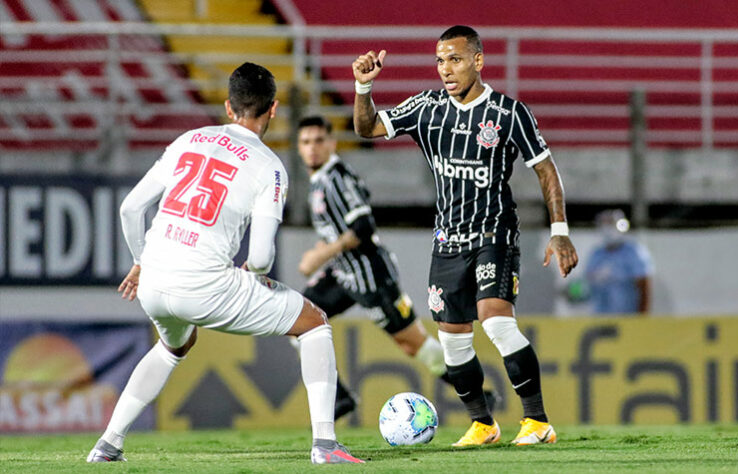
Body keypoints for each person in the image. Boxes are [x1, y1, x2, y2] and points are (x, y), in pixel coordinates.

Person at [86, 63, 363, 464]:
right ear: (274, 109)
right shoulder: (269, 166)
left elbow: (131, 209)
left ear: (229, 108)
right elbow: (263, 257)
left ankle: (108, 444)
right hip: (205, 284)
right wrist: (251, 279)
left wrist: (141, 261)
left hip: (153, 280)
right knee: (315, 323)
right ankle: (325, 445)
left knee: (173, 345)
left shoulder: (188, 139)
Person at [352, 25, 579, 446]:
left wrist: (559, 231)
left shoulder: (509, 113)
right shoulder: (427, 107)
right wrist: (363, 87)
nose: (445, 69)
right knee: (453, 343)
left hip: (494, 234)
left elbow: (545, 170)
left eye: (455, 59)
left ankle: (536, 421)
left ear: (478, 61)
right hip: (447, 242)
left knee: (496, 321)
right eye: (440, 60)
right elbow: (367, 129)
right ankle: (482, 424)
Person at [295, 115, 498, 420]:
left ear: (332, 143)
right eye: (306, 142)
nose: (312, 148)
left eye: (319, 141)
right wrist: (322, 251)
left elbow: (363, 227)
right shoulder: (318, 181)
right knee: (296, 322)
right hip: (342, 275)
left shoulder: (338, 178)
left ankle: (479, 394)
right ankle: (338, 398)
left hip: (372, 277)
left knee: (412, 344)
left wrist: (321, 255)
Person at [584, 209, 653, 314]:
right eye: (604, 225)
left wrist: (641, 319)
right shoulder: (596, 254)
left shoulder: (634, 252)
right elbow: (586, 285)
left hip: (628, 317)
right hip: (600, 317)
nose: (607, 229)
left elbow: (644, 287)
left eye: (611, 224)